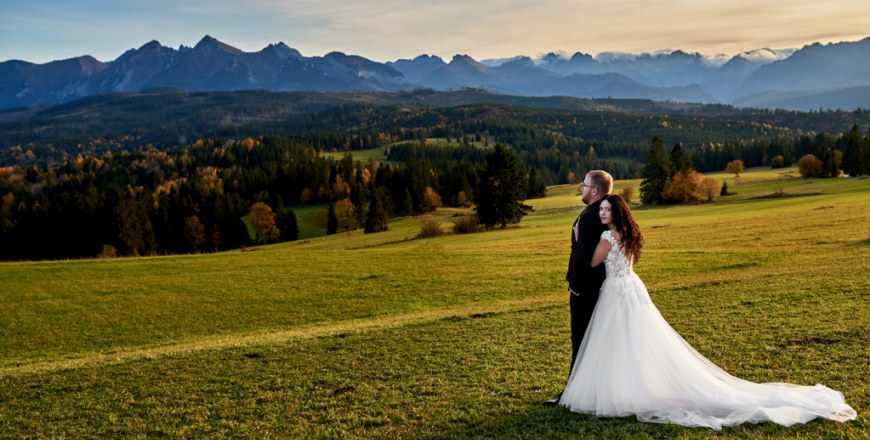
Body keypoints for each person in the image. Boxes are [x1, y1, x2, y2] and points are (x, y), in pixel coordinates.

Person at [558, 194, 857, 429]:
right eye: (601, 210)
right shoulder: (629, 233)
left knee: (615, 341)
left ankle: (621, 390)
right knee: (637, 340)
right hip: (633, 288)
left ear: (617, 213)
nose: (602, 213)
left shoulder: (608, 237)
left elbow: (594, 264)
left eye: (607, 210)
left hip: (616, 292)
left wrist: (577, 241)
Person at [544, 170, 613, 406]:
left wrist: (577, 287)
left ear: (595, 190)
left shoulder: (590, 216)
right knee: (593, 342)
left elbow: (586, 256)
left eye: (583, 185)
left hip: (585, 290)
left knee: (581, 342)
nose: (580, 189)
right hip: (600, 288)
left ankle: (572, 395)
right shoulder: (603, 215)